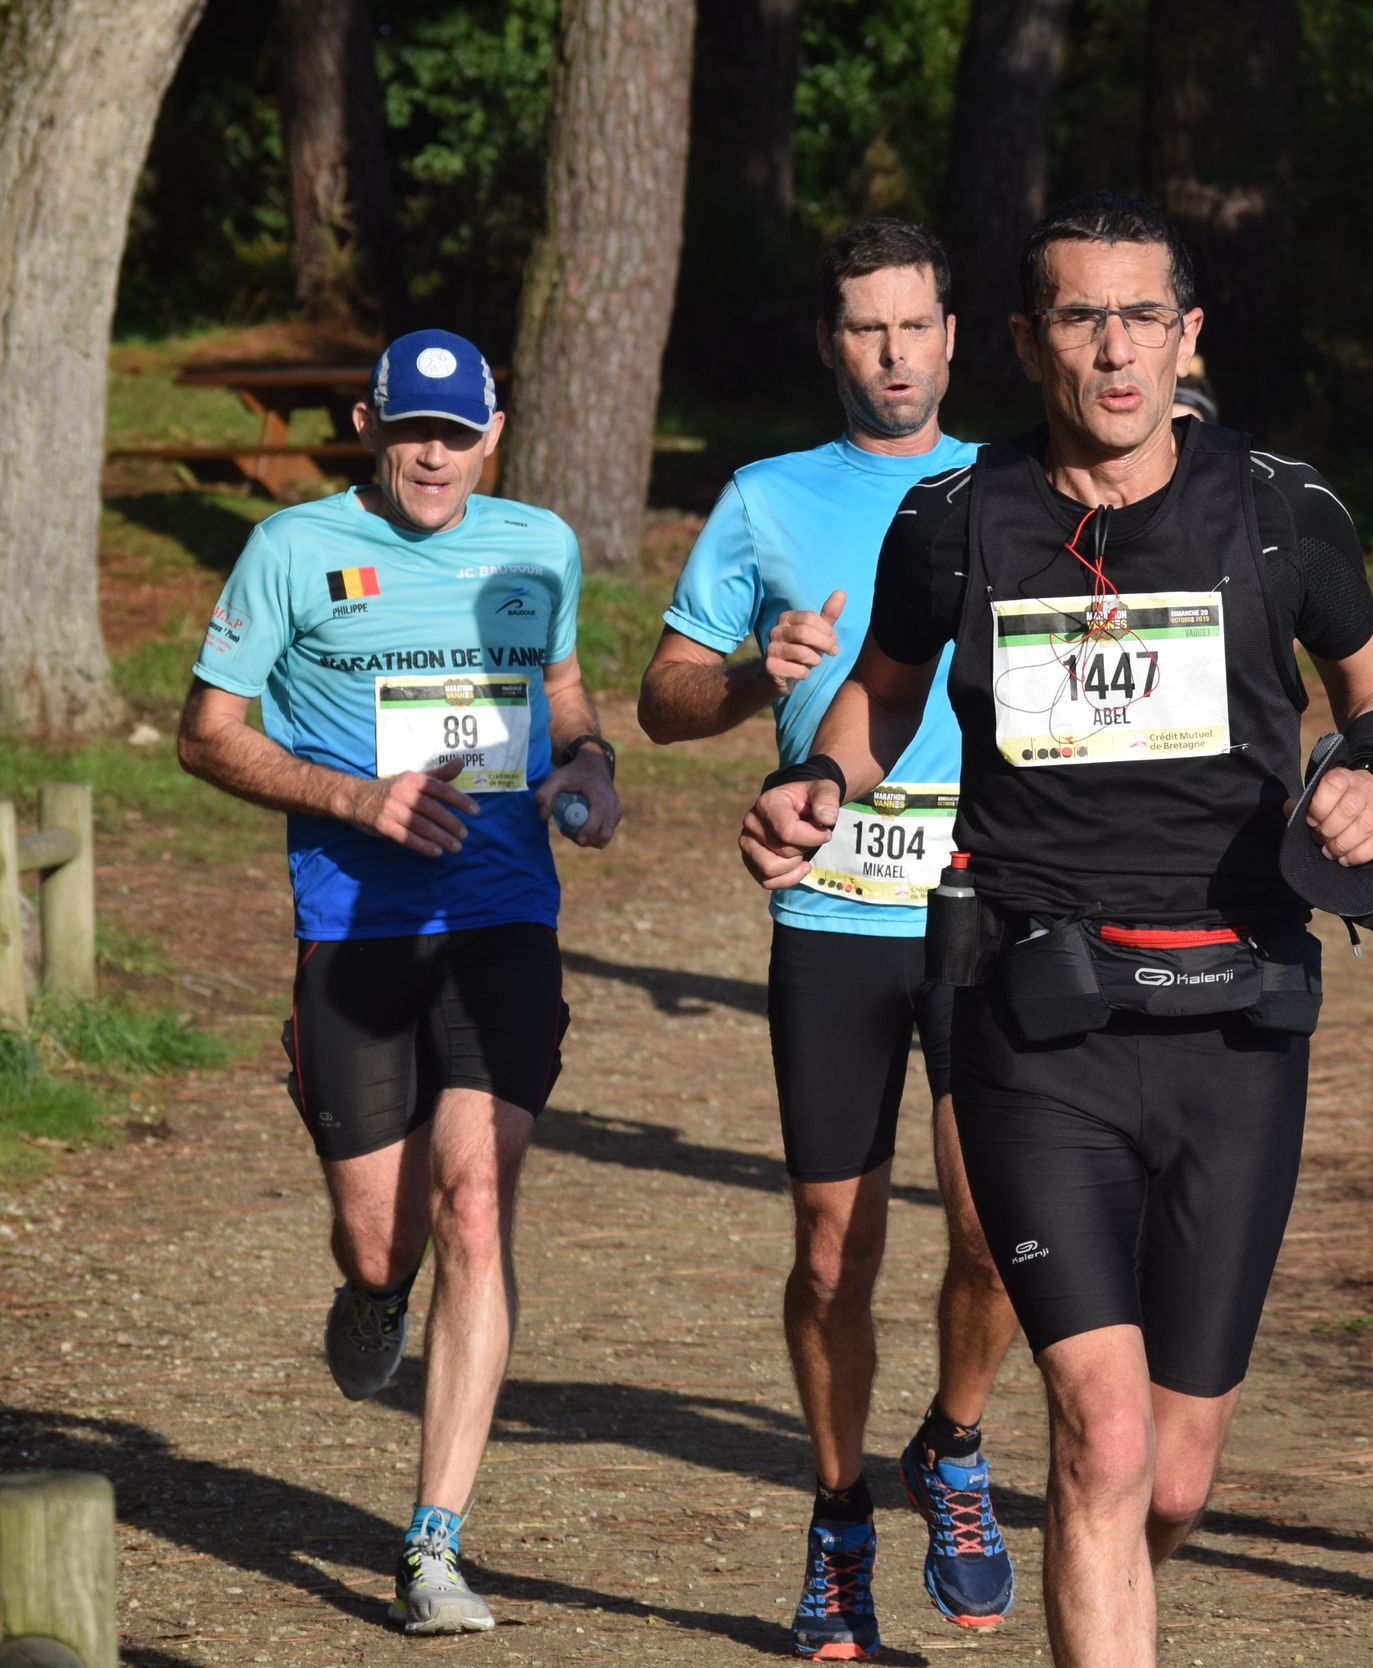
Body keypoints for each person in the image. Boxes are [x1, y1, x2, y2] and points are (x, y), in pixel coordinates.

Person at [737, 192, 1373, 1668]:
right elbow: (882, 694)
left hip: (1238, 1017)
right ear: (1026, 340)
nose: (1115, 350)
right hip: (1036, 1018)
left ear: (1189, 333)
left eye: (1142, 316)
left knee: (1168, 1480)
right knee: (1102, 1439)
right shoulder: (955, 520)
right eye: (1080, 317)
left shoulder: (1281, 509)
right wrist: (821, 783)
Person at [176, 328, 623, 1634]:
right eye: (412, 431)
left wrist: (588, 765)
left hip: (502, 919)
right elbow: (207, 736)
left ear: (494, 437)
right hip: (355, 931)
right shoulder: (291, 550)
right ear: (370, 427)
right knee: (387, 1239)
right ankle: (374, 1297)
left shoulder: (539, 546)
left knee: (475, 1208)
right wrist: (354, 798)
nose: (434, 456)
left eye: (458, 434)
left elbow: (564, 691)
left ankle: (434, 1543)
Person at [635, 217, 1021, 1660]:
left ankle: (957, 1446)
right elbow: (661, 699)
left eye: (916, 325)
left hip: (989, 902)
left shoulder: (1014, 487)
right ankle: (840, 1518)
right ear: (829, 344)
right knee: (829, 1257)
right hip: (834, 904)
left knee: (996, 1231)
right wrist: (754, 678)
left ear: (953, 339)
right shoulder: (764, 501)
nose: (894, 353)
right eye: (867, 328)